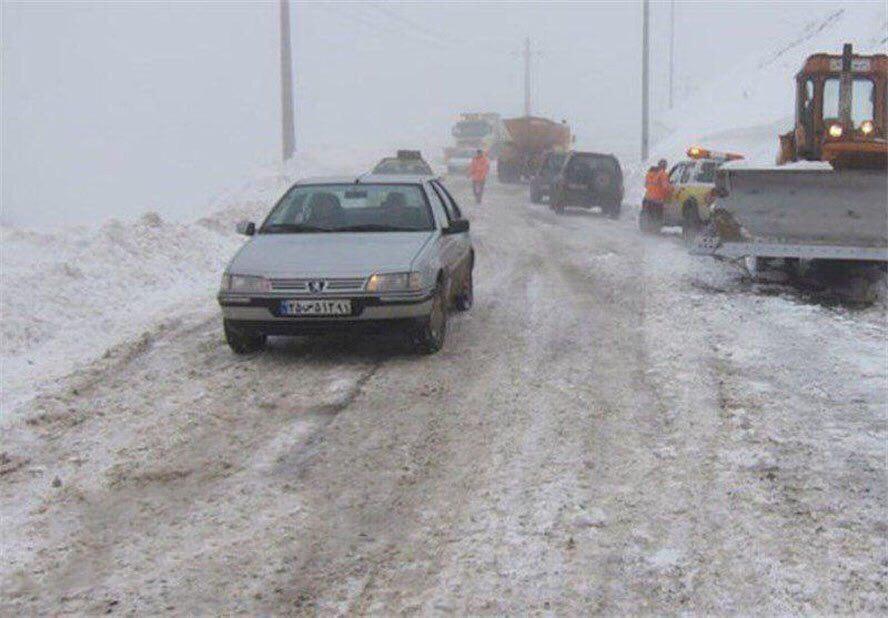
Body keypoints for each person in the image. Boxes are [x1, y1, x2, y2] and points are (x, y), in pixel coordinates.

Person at [640, 158, 671, 234]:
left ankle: (646, 229)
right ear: (664, 166)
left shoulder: (649, 173)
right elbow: (665, 187)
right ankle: (655, 231)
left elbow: (646, 185)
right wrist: (669, 193)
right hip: (657, 201)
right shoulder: (663, 174)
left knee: (647, 215)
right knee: (657, 218)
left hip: (647, 198)